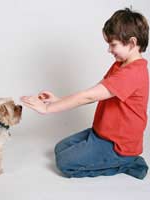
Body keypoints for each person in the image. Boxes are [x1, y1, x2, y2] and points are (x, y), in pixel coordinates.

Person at [20, 8, 149, 179]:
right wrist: (58, 100)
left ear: (132, 43)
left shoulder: (133, 73)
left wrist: (48, 109)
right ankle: (108, 153)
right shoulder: (120, 65)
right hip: (101, 133)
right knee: (59, 149)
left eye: (113, 44)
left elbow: (89, 96)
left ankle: (128, 162)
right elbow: (94, 92)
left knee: (64, 163)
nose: (109, 50)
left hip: (117, 145)